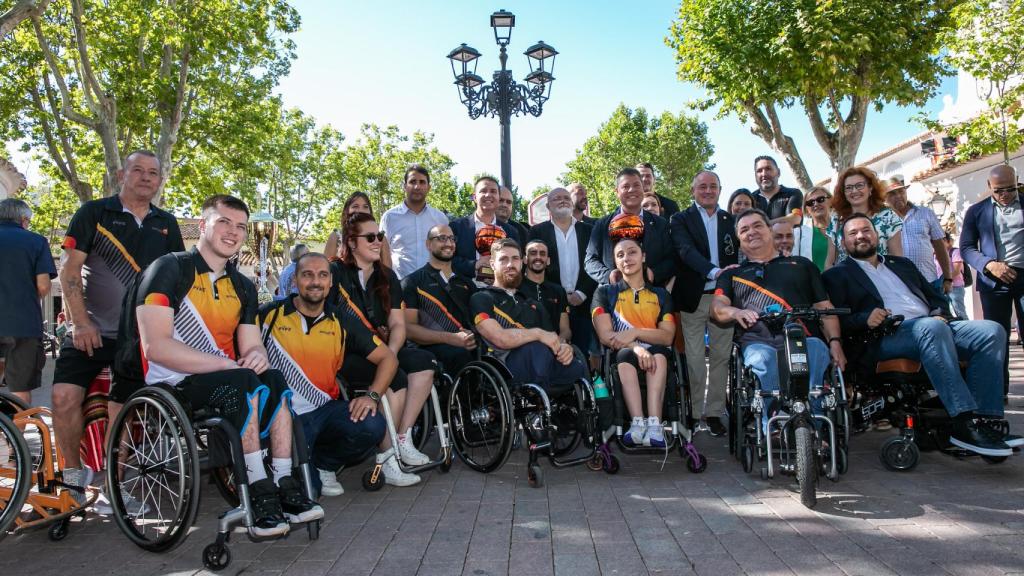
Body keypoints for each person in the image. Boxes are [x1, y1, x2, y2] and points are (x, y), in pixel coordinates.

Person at [133, 194, 322, 536]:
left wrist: (257, 357)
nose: (233, 232)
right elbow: (155, 346)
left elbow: (252, 345)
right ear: (203, 225)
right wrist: (224, 365)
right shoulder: (169, 269)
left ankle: (283, 480)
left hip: (226, 380)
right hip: (175, 384)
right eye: (224, 222)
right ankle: (257, 485)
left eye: (240, 226)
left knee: (275, 379)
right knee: (244, 381)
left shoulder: (243, 285)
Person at [823, 214, 1019, 456]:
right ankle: (962, 422)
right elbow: (836, 319)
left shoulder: (901, 264)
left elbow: (936, 297)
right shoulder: (837, 275)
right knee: (931, 328)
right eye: (853, 233)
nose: (861, 236)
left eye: (866, 230)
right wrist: (865, 318)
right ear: (843, 244)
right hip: (885, 336)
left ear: (876, 235)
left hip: (932, 325)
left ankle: (987, 422)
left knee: (991, 331)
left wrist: (939, 313)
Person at [53, 149, 184, 506]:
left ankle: (114, 482)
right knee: (63, 398)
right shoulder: (94, 213)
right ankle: (73, 477)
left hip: (139, 336)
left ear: (160, 180)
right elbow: (68, 271)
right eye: (138, 170)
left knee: (123, 409)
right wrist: (80, 323)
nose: (145, 177)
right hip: (90, 331)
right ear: (121, 173)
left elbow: (177, 278)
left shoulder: (167, 223)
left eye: (153, 173)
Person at [259, 252, 395, 497]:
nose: (315, 281)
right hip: (282, 418)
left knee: (372, 424)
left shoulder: (341, 319)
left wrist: (372, 397)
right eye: (307, 275)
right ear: (294, 280)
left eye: (322, 275)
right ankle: (305, 465)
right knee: (310, 491)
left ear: (331, 282)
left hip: (323, 410)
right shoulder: (269, 314)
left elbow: (388, 358)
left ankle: (325, 463)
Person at [710, 209, 847, 431]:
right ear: (738, 239)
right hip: (758, 342)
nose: (751, 232)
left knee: (816, 349)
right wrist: (736, 312)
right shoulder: (732, 275)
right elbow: (717, 308)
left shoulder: (802, 265)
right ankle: (772, 423)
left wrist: (836, 343)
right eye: (744, 229)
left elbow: (824, 307)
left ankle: (815, 422)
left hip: (804, 338)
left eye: (757, 226)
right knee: (761, 360)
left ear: (769, 230)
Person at [330, 212, 436, 486]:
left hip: (382, 347)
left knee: (425, 362)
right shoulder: (335, 273)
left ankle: (402, 437)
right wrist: (386, 355)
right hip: (346, 351)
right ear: (351, 242)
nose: (378, 242)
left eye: (380, 236)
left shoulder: (387, 276)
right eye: (370, 237)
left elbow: (398, 324)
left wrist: (391, 348)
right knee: (396, 377)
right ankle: (387, 460)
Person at [670, 170, 738, 436]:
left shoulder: (730, 220)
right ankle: (695, 412)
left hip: (724, 298)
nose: (708, 191)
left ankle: (714, 413)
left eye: (713, 186)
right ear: (693, 190)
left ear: (720, 189)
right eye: (702, 187)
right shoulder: (680, 219)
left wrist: (727, 278)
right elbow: (685, 252)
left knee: (721, 357)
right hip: (693, 297)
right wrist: (714, 271)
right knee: (696, 359)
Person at [592, 237, 675, 447]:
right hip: (624, 353)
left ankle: (655, 425)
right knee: (624, 355)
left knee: (658, 352)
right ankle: (637, 423)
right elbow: (606, 335)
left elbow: (667, 336)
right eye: (620, 255)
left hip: (657, 354)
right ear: (615, 263)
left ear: (643, 256)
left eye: (632, 252)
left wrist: (635, 332)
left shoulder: (661, 295)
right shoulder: (604, 292)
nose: (626, 258)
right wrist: (636, 347)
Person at [470, 238, 587, 389]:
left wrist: (564, 348)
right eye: (503, 260)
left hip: (541, 363)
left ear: (521, 262)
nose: (510, 265)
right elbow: (500, 339)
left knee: (575, 365)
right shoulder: (481, 298)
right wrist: (538, 334)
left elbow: (552, 338)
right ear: (492, 264)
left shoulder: (533, 304)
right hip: (503, 366)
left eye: (515, 259)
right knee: (536, 350)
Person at [960, 164, 1024, 400]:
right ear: (990, 187)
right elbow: (966, 248)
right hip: (994, 280)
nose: (1005, 195)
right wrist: (988, 264)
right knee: (997, 336)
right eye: (999, 191)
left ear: (1017, 182)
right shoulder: (976, 211)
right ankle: (998, 391)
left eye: (1010, 189)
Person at [529, 187, 598, 370]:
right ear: (548, 206)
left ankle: (585, 393)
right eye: (557, 198)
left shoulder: (589, 231)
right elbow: (535, 265)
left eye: (566, 197)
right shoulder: (537, 232)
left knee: (583, 354)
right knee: (553, 355)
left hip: (584, 303)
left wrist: (582, 293)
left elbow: (596, 265)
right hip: (551, 304)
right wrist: (559, 294)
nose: (563, 200)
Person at [402, 224, 478, 375]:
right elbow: (409, 329)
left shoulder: (467, 283)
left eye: (451, 239)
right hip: (431, 353)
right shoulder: (412, 282)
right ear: (428, 244)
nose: (448, 244)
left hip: (469, 351)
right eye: (442, 238)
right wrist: (451, 338)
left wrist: (473, 336)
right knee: (459, 355)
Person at [0, 198, 55, 405]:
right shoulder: (36, 241)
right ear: (24, 220)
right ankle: (14, 436)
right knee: (20, 388)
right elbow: (43, 285)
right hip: (23, 323)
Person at [585, 168, 675, 291]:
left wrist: (654, 273)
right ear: (617, 192)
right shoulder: (602, 225)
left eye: (636, 185)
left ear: (643, 188)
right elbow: (590, 261)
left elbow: (672, 259)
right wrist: (608, 276)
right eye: (626, 186)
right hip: (613, 298)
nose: (632, 190)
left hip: (652, 297)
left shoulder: (661, 224)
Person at [380, 165, 449, 280]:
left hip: (434, 285)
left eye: (422, 182)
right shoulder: (389, 217)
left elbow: (446, 252)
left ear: (429, 187)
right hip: (400, 285)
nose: (417, 186)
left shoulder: (440, 218)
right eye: (412, 182)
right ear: (404, 186)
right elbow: (382, 252)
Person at [885, 176, 951, 293]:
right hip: (898, 284)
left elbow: (940, 246)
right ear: (884, 198)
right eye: (892, 194)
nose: (898, 196)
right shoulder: (883, 220)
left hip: (928, 280)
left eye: (901, 191)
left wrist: (948, 278)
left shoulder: (925, 213)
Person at [450, 176, 520, 280]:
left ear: (498, 197)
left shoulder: (511, 232)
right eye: (483, 191)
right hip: (465, 290)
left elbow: (517, 263)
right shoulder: (456, 227)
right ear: (474, 197)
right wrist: (475, 264)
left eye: (493, 191)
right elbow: (448, 260)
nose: (488, 195)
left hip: (500, 290)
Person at [827, 166, 903, 260]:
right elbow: (830, 261)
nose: (854, 191)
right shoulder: (836, 219)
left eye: (859, 185)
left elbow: (897, 257)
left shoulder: (888, 216)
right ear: (844, 192)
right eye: (849, 188)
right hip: (846, 274)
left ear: (870, 188)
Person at [324, 192, 393, 268]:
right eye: (355, 206)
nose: (361, 210)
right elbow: (324, 270)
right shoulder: (335, 237)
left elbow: (388, 271)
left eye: (365, 206)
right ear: (347, 210)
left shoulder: (380, 238)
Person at [522, 240, 572, 343]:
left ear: (548, 260)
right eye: (533, 253)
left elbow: (565, 330)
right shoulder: (515, 288)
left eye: (542, 253)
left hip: (554, 348)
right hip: (522, 347)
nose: (538, 257)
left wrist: (560, 344)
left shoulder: (558, 291)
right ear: (525, 259)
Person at [794, 187, 837, 272]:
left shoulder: (843, 225)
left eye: (820, 199)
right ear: (806, 209)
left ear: (830, 201)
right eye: (810, 203)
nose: (816, 204)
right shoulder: (798, 234)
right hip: (817, 283)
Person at [752, 156, 803, 227]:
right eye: (759, 171)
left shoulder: (793, 194)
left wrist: (760, 225)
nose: (764, 174)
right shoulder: (750, 199)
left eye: (768, 169)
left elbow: (795, 219)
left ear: (778, 172)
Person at [938, 232, 968, 319]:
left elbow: (956, 271)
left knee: (959, 311)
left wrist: (945, 280)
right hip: (941, 288)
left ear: (946, 240)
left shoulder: (955, 252)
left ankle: (967, 329)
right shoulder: (936, 254)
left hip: (955, 287)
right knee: (946, 313)